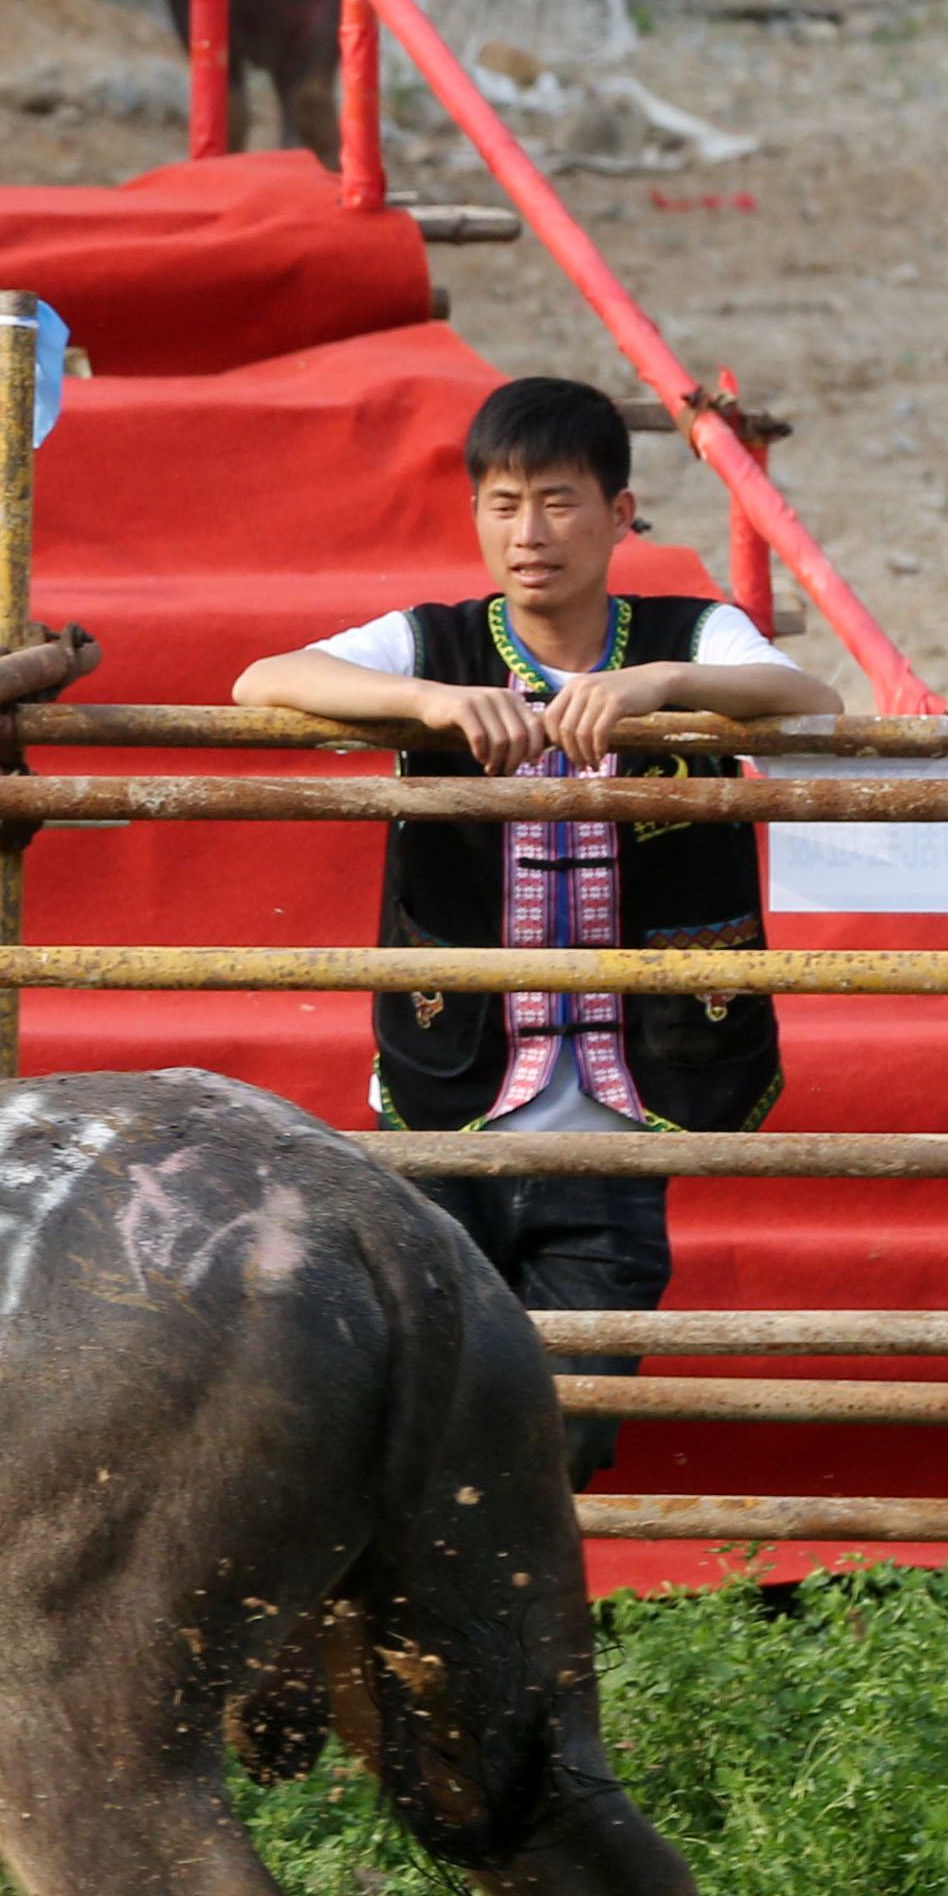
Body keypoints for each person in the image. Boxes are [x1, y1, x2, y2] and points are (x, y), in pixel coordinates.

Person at [232, 375, 842, 1477]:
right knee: (415, 1419)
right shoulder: (435, 643)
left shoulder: (686, 632)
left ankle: (505, 1634)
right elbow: (260, 679)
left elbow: (812, 701)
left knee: (560, 1436)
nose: (529, 534)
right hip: (443, 1103)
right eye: (503, 504)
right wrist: (425, 702)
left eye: (559, 503)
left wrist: (663, 684)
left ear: (621, 514)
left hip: (621, 1117)